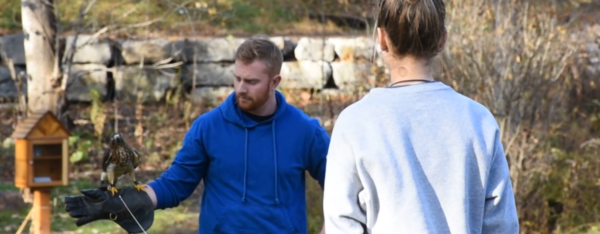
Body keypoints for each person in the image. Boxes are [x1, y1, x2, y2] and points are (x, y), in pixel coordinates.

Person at [64, 35, 330, 234]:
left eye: (251, 82)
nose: (240, 88)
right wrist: (131, 199)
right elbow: (176, 183)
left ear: (275, 82)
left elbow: (341, 185)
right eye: (237, 78)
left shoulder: (305, 131)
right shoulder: (208, 127)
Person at [322, 0, 519, 233]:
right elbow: (502, 226)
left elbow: (341, 224)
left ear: (382, 38)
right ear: (442, 39)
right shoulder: (478, 120)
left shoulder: (354, 122)